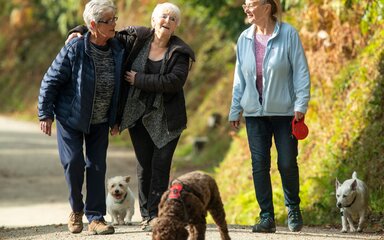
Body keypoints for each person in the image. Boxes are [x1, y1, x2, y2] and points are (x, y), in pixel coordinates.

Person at [66, 2, 195, 232]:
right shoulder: (137, 37)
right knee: (144, 165)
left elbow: (173, 82)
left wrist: (139, 79)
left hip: (167, 120)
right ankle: (147, 215)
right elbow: (102, 28)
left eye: (172, 19)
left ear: (176, 26)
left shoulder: (180, 52)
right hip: (137, 115)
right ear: (153, 20)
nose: (167, 21)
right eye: (163, 16)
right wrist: (79, 30)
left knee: (161, 164)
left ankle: (156, 213)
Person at [38, 0, 124, 235]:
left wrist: (116, 118)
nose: (115, 24)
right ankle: (76, 209)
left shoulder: (117, 47)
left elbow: (142, 33)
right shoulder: (75, 48)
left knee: (97, 167)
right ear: (94, 25)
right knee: (74, 162)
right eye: (110, 20)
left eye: (115, 18)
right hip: (70, 118)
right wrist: (45, 113)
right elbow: (50, 80)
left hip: (100, 120)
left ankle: (96, 218)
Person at [228, 0, 310, 233]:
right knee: (259, 165)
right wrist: (236, 108)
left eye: (250, 4)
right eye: (245, 4)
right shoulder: (244, 38)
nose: (246, 9)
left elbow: (301, 71)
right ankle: (267, 217)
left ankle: (293, 208)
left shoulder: (288, 34)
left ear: (266, 6)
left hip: (285, 112)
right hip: (255, 113)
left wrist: (301, 104)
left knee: (286, 162)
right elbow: (239, 79)